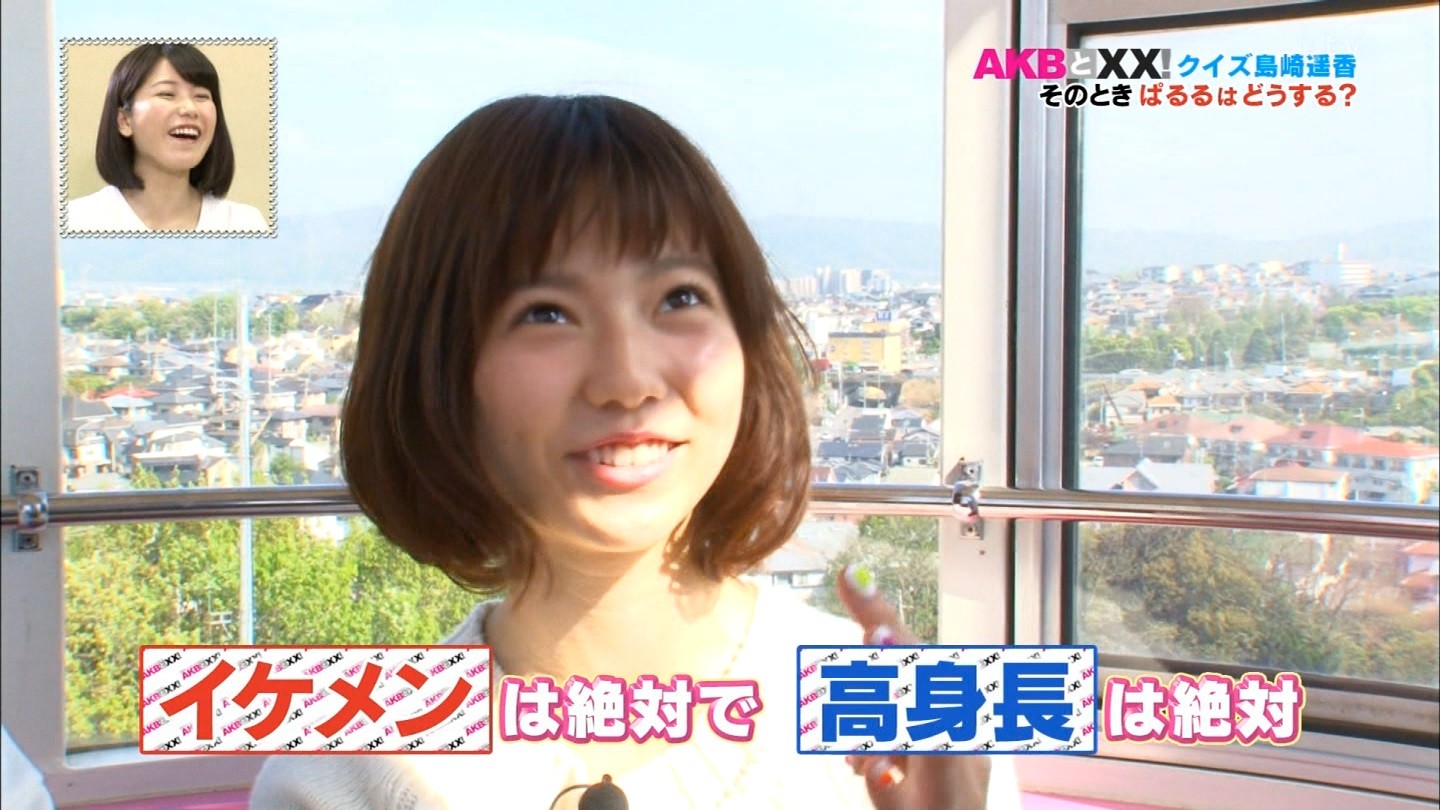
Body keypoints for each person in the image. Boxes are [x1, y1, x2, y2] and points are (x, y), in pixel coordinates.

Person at [250, 94, 1018, 809]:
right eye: (545, 313)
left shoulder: (920, 729)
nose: (627, 381)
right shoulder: (341, 776)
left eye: (680, 298)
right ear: (438, 373)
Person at [64, 43, 268, 233]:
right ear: (125, 120)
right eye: (167, 94)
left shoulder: (244, 224)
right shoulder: (76, 221)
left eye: (201, 96)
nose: (190, 108)